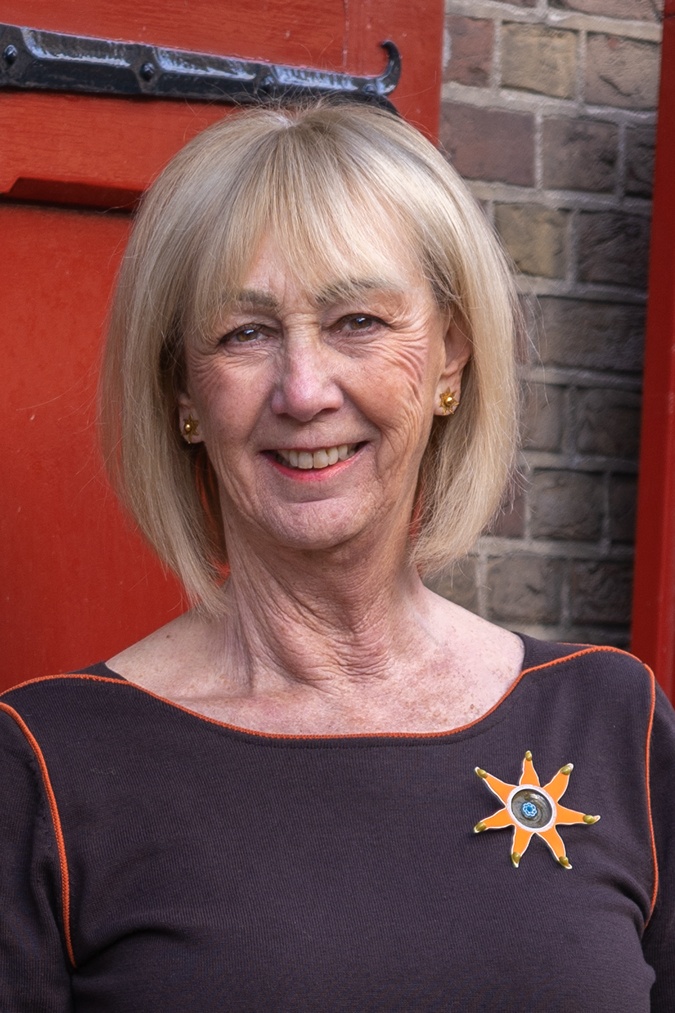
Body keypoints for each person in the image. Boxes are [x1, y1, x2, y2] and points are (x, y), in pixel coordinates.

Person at [1, 101, 673, 1012]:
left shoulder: (609, 721)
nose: (305, 390)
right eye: (245, 333)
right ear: (182, 391)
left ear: (450, 356)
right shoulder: (46, 762)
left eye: (356, 319)